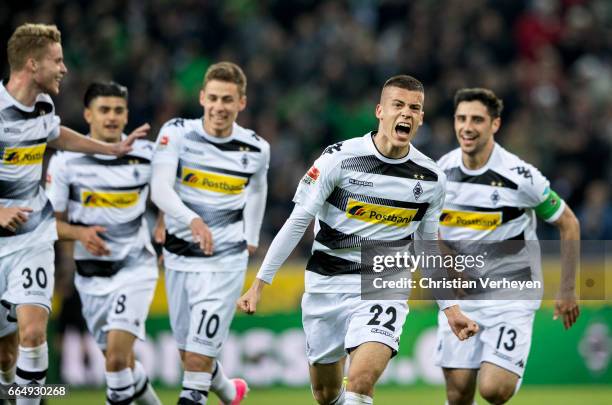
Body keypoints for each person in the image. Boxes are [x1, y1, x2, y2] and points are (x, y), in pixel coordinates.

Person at [238, 75, 479, 405]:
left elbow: (426, 247)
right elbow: (298, 222)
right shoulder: (339, 159)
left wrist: (451, 309)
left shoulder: (431, 178)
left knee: (361, 381)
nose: (406, 114)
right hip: (326, 285)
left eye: (414, 108)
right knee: (325, 394)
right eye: (398, 105)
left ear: (421, 118)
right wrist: (260, 283)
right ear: (380, 111)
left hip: (384, 285)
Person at [0, 23, 148, 405]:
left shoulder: (44, 105)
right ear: (32, 65)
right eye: (57, 61)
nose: (65, 68)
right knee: (5, 358)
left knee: (33, 334)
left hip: (32, 237)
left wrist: (109, 149)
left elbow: (54, 133)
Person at [435, 88, 580, 405]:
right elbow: (430, 231)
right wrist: (450, 267)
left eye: (476, 119)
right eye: (461, 118)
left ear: (495, 125)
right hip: (464, 297)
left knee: (493, 389)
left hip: (511, 295)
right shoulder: (439, 174)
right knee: (458, 393)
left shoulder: (520, 176)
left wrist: (568, 289)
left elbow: (569, 222)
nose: (467, 127)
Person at [151, 61, 269, 405]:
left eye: (228, 100)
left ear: (241, 103)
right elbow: (159, 188)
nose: (220, 107)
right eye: (214, 98)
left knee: (197, 368)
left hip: (225, 260)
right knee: (190, 355)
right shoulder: (176, 133)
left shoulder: (256, 148)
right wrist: (191, 220)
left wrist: (251, 237)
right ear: (202, 98)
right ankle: (231, 392)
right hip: (178, 256)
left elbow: (258, 190)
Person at [46, 81, 162, 405]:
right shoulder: (66, 161)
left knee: (114, 360)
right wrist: (79, 234)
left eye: (118, 110)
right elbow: (48, 223)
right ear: (88, 115)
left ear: (126, 116)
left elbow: (173, 193)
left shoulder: (146, 154)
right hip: (90, 278)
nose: (112, 117)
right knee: (122, 364)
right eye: (104, 110)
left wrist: (165, 221)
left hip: (136, 267)